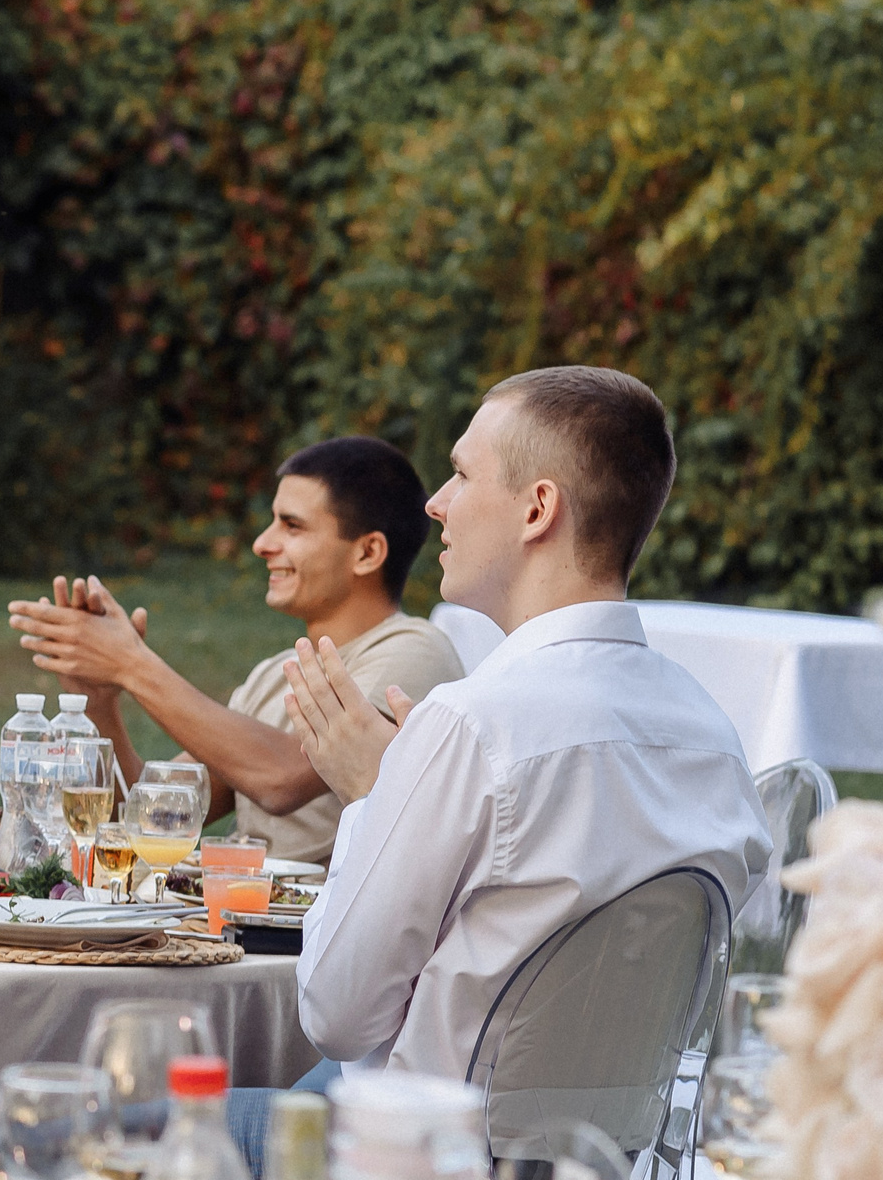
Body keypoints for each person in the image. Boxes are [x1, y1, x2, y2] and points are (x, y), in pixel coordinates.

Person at [283, 366, 771, 1087]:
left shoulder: (472, 727)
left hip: (422, 1145)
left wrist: (374, 800)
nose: (436, 502)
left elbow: (336, 1016)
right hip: (613, 1152)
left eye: (460, 474)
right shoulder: (714, 739)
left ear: (538, 509)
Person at [7, 436, 464, 863]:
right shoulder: (273, 675)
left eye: (292, 526)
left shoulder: (415, 651)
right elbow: (145, 816)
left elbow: (282, 780)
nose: (262, 544)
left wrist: (132, 664)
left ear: (367, 553)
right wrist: (98, 700)